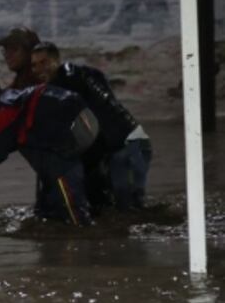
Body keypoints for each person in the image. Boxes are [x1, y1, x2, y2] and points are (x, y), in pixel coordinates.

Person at [30, 41, 151, 210]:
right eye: (34, 65)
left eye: (44, 63)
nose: (39, 69)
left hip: (125, 146)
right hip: (128, 143)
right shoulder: (88, 74)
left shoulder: (66, 81)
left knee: (128, 211)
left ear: (56, 60)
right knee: (120, 208)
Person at [0, 83, 93, 226]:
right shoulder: (22, 96)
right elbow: (14, 124)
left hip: (60, 169)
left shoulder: (8, 114)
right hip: (67, 156)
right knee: (47, 214)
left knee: (76, 220)